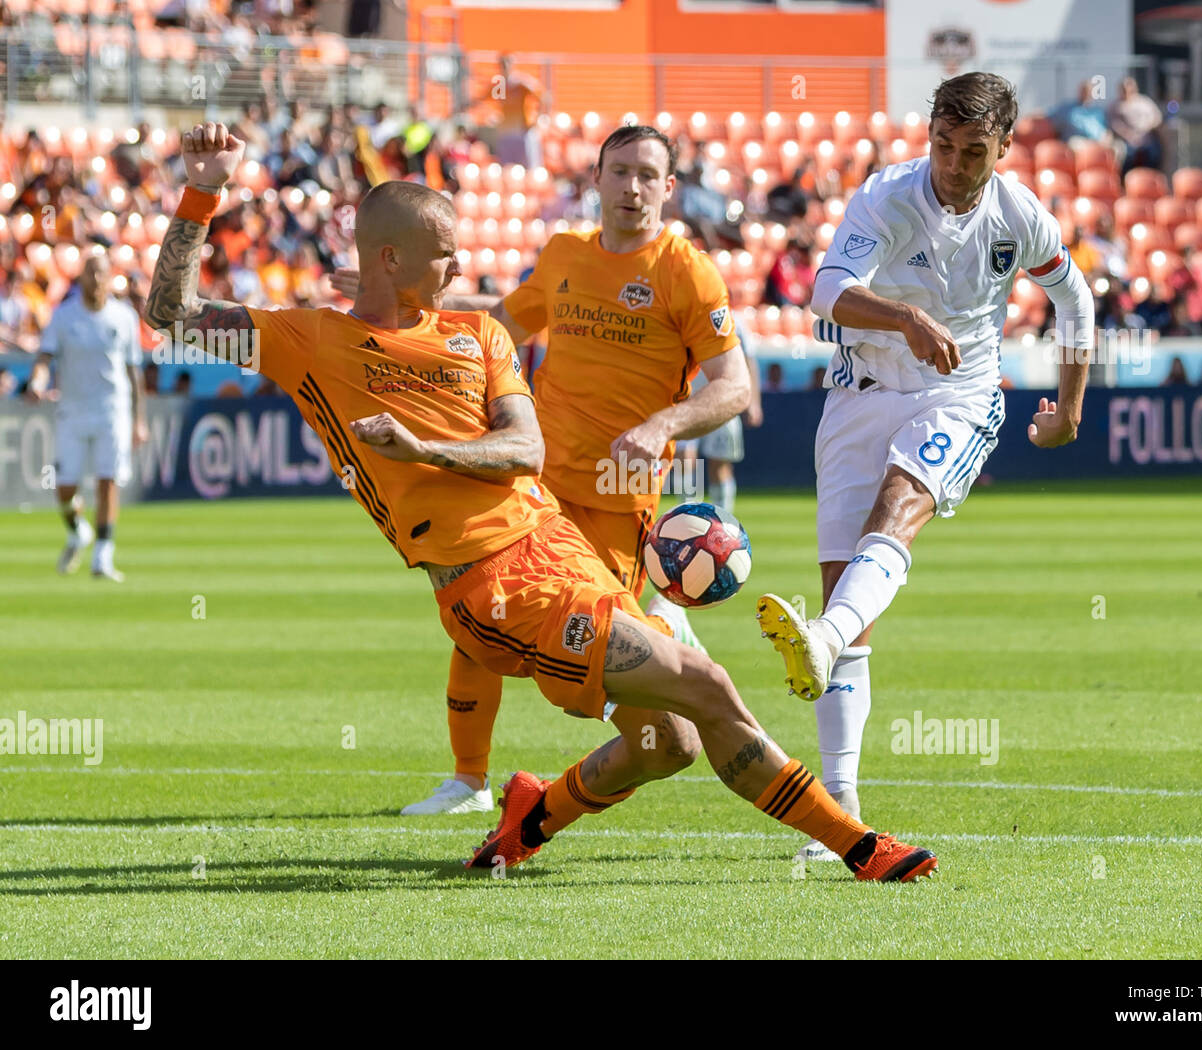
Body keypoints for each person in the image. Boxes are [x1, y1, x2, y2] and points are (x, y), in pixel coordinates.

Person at [145, 120, 938, 883]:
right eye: (445, 257)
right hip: (494, 587)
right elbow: (171, 314)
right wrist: (201, 195)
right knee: (707, 681)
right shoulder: (310, 340)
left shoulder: (479, 340)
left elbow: (526, 451)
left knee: (672, 744)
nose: (460, 269)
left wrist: (424, 451)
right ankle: (859, 847)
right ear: (388, 259)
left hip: (565, 543)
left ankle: (533, 816)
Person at [333, 126, 753, 818]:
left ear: (670, 188)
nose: (633, 187)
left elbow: (734, 386)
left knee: (597, 653)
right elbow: (498, 324)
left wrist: (661, 426)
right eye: (620, 172)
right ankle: (468, 782)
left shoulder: (687, 271)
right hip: (532, 485)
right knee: (477, 620)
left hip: (619, 498)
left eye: (649, 174)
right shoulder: (562, 255)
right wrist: (400, 293)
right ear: (596, 179)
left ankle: (604, 766)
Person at [760, 72, 1094, 861]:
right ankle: (837, 815)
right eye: (942, 145)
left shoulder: (1020, 217)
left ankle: (826, 633)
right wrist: (903, 317)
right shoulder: (887, 195)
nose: (952, 163)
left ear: (1003, 148)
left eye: (972, 151)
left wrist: (1071, 408)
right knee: (850, 584)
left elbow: (1074, 300)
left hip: (961, 393)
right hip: (859, 392)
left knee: (901, 506)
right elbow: (825, 292)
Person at [26, 254, 147, 581]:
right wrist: (38, 382)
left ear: (110, 279)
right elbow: (45, 355)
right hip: (73, 409)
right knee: (64, 485)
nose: (95, 280)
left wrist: (139, 419)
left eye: (101, 274)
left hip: (113, 409)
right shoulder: (64, 316)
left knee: (108, 480)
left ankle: (102, 557)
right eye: (90, 273)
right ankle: (78, 529)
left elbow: (134, 371)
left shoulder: (124, 317)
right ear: (80, 278)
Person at [699, 316, 762, 515]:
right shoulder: (684, 311)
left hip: (723, 399)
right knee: (685, 461)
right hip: (687, 397)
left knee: (720, 463)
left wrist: (754, 402)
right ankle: (686, 520)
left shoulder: (735, 320)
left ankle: (723, 520)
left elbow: (749, 360)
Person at [1107, 77, 1164, 175]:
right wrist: (1129, 135)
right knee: (1127, 157)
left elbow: (1157, 117)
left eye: (1129, 88)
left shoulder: (1145, 102)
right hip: (1127, 140)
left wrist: (1148, 128)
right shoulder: (1115, 105)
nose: (1127, 91)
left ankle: (1149, 181)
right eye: (1124, 89)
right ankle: (1126, 182)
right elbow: (1114, 124)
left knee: (1154, 154)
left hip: (1147, 138)